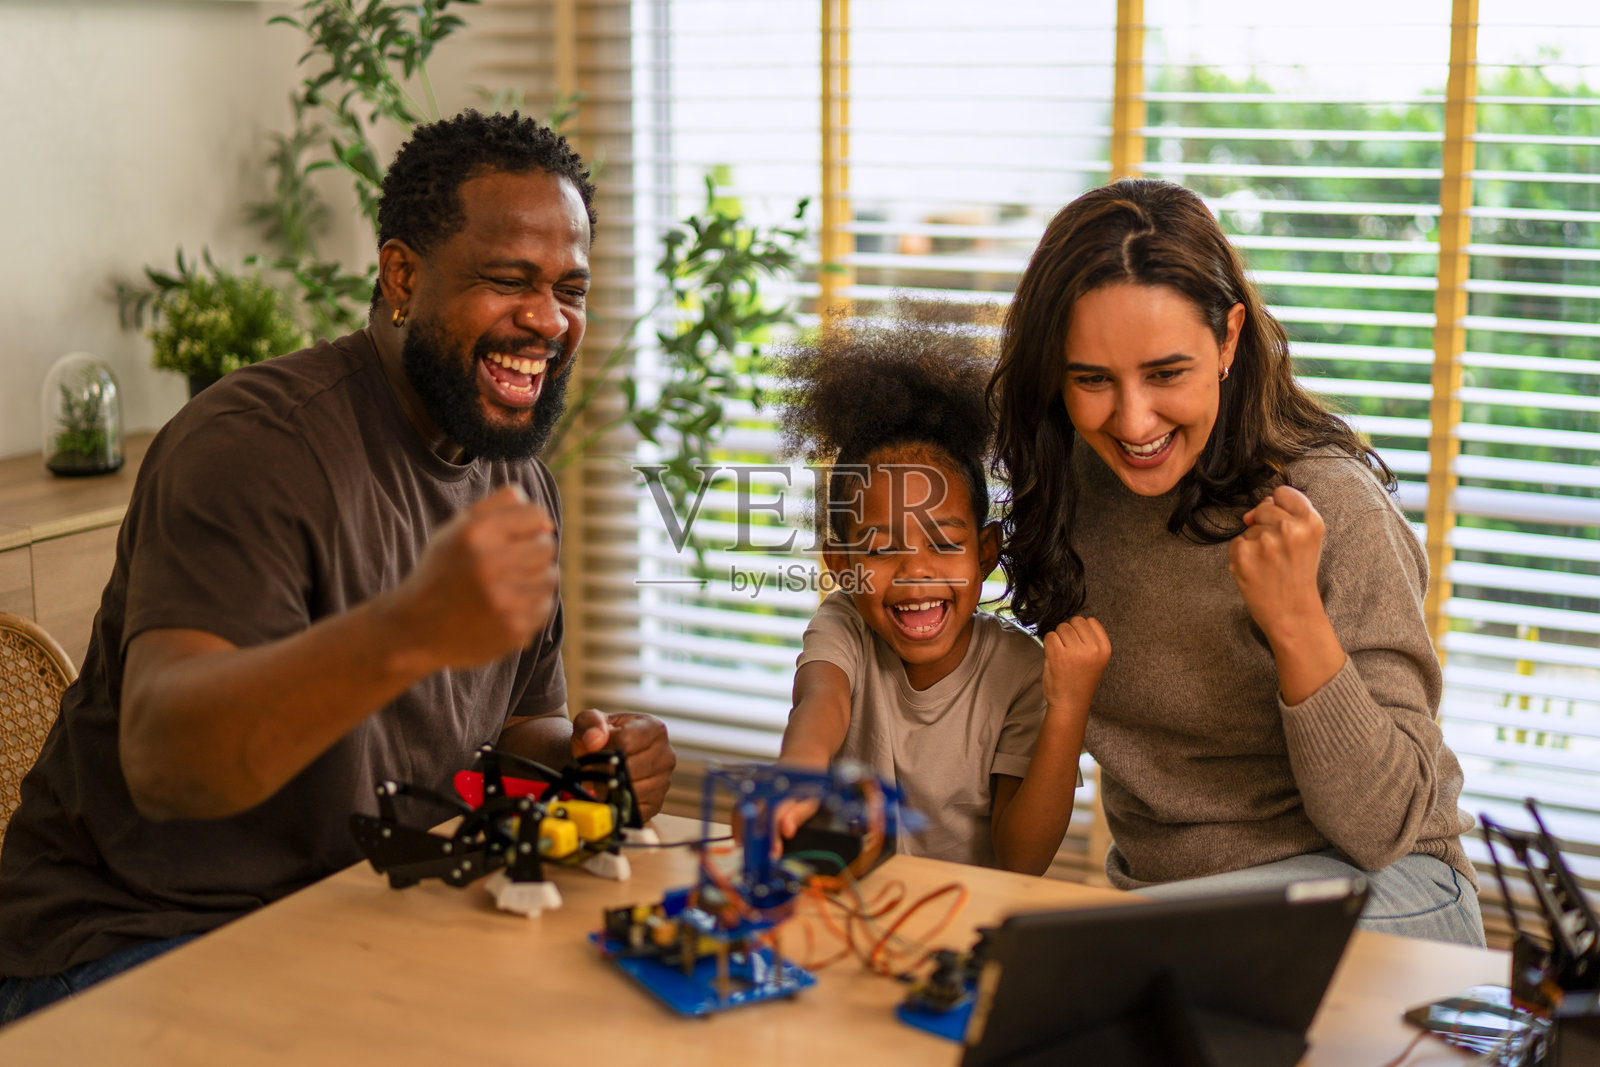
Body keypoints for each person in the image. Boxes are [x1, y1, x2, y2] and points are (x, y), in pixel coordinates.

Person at [0, 110, 676, 1021]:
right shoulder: (252, 447)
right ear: (402, 276)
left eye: (570, 288)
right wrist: (408, 629)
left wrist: (588, 762)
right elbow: (168, 762)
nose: (549, 319)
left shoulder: (516, 478)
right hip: (132, 940)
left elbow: (519, 725)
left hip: (350, 913)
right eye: (508, 279)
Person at [988, 177, 1484, 944]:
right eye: (1092, 379)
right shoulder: (1067, 491)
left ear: (1227, 340)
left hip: (1390, 895)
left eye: (1165, 373)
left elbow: (1387, 827)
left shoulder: (1331, 503)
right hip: (1178, 916)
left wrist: (1296, 622)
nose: (1134, 420)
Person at [773, 312, 1108, 874]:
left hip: (969, 916)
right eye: (881, 549)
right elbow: (820, 703)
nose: (915, 573)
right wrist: (798, 777)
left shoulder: (1021, 671)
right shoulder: (843, 625)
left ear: (985, 551)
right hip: (854, 902)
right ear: (842, 566)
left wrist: (1068, 708)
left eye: (944, 543)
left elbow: (1022, 861)